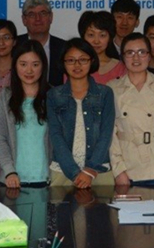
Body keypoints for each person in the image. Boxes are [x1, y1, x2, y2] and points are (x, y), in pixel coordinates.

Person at [109, 33, 154, 188]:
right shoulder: (112, 88)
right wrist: (118, 170)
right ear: (123, 57)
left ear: (149, 56)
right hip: (127, 167)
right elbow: (110, 135)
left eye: (141, 52)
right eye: (130, 53)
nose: (136, 58)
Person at [47, 38, 116, 187]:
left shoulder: (105, 93)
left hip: (98, 172)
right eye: (71, 60)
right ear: (63, 63)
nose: (77, 65)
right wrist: (74, 173)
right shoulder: (53, 95)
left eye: (83, 60)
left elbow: (106, 134)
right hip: (62, 172)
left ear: (92, 61)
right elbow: (55, 135)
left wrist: (90, 170)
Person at [0, 40, 51, 188]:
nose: (29, 70)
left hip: (47, 179)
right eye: (23, 64)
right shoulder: (4, 97)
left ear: (43, 66)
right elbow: (0, 138)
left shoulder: (53, 96)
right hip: (12, 180)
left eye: (35, 64)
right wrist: (9, 171)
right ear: (15, 66)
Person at [17, 0, 66, 86]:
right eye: (32, 15)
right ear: (24, 20)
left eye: (43, 13)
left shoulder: (65, 48)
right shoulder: (14, 46)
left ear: (51, 17)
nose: (38, 19)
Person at [78, 11, 126, 85]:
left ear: (110, 37)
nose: (96, 41)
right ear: (83, 36)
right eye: (91, 35)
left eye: (102, 35)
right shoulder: (75, 65)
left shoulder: (121, 68)